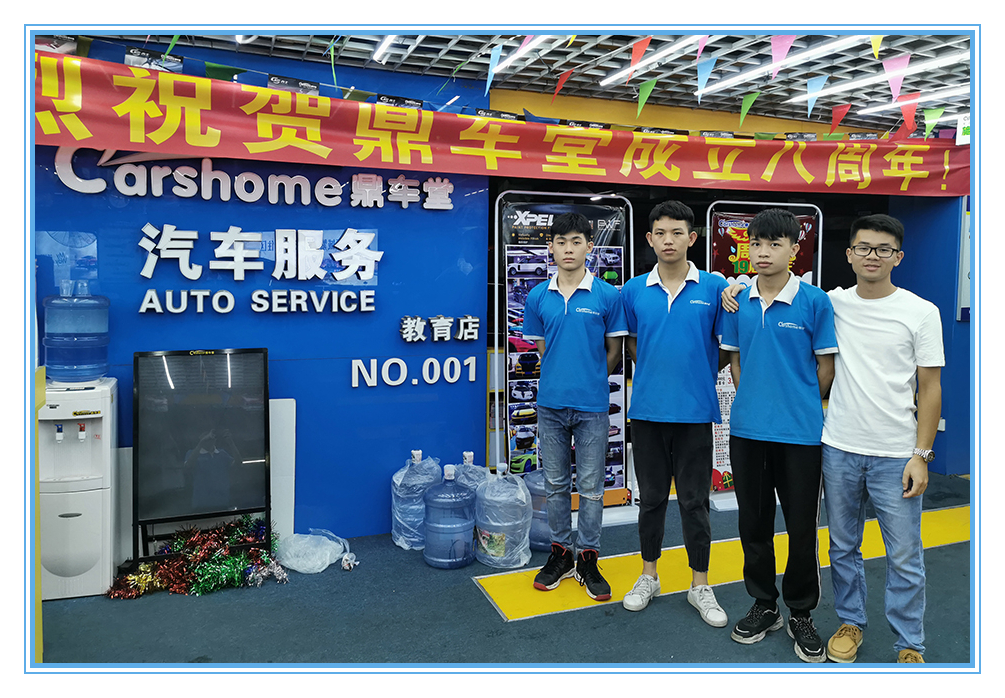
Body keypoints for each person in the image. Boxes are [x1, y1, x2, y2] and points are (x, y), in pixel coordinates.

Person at [818, 214, 944, 664]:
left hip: (896, 454)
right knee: (841, 547)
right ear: (849, 254)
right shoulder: (832, 303)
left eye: (884, 249)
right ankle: (851, 622)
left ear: (898, 257)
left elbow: (930, 386)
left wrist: (921, 455)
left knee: (905, 554)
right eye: (864, 247)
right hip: (839, 447)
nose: (873, 256)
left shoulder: (921, 311)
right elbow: (776, 287)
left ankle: (909, 644)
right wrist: (734, 288)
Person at [718, 208, 837, 663]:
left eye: (774, 244)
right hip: (748, 431)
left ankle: (801, 612)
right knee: (753, 524)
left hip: (800, 434)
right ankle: (764, 604)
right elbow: (735, 362)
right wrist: (756, 400)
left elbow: (825, 368)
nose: (763, 252)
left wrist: (797, 402)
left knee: (802, 526)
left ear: (794, 249)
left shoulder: (814, 301)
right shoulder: (737, 301)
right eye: (757, 244)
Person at [618, 201, 730, 627]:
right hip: (647, 412)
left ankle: (699, 584)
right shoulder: (633, 290)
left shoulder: (714, 287)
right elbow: (632, 343)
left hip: (696, 412)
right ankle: (649, 576)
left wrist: (698, 370)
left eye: (677, 232)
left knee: (695, 501)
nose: (669, 240)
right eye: (661, 233)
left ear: (692, 238)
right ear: (649, 239)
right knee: (650, 500)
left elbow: (724, 348)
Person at [522, 212, 628, 601]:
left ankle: (588, 558)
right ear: (551, 247)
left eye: (576, 241)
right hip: (550, 406)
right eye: (561, 241)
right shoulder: (537, 297)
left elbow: (614, 350)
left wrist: (590, 378)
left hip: (592, 407)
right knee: (555, 486)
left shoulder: (607, 296)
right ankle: (561, 554)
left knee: (592, 488)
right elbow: (542, 348)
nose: (569, 249)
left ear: (589, 246)